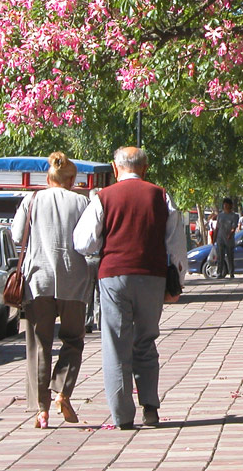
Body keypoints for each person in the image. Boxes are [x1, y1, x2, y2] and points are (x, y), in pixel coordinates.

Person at [73, 147, 186, 430]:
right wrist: (178, 283)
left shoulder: (103, 197)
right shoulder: (161, 196)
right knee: (145, 340)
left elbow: (83, 242)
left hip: (114, 276)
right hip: (152, 276)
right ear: (145, 168)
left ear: (114, 168)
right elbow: (176, 245)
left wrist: (105, 245)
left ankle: (123, 416)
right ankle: (150, 406)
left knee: (116, 345)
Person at [11, 152, 90, 429]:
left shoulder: (31, 200)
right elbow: (90, 240)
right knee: (73, 340)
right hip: (74, 281)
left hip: (38, 281)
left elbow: (16, 234)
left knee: (39, 343)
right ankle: (63, 391)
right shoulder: (83, 202)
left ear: (47, 178)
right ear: (71, 179)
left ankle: (41, 410)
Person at [215, 197, 239, 279]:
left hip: (229, 239)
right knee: (220, 256)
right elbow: (217, 227)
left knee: (230, 256)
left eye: (227, 204)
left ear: (230, 205)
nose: (225, 206)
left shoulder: (234, 216)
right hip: (220, 238)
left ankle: (231, 273)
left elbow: (234, 227)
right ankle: (219, 272)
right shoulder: (220, 215)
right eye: (224, 204)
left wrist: (230, 234)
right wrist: (214, 237)